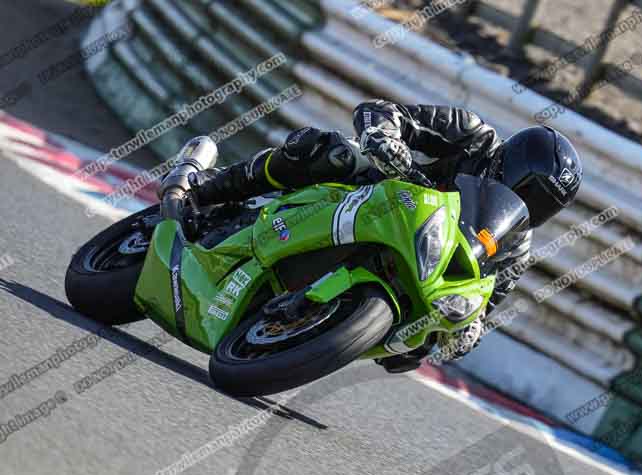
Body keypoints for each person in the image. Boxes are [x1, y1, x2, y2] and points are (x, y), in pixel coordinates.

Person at [189, 99, 583, 372]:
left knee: (411, 352)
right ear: (510, 162)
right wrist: (384, 136)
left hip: (417, 274)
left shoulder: (514, 247)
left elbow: (484, 302)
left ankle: (312, 332)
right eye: (527, 188)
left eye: (541, 204)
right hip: (372, 194)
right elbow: (384, 111)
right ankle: (205, 190)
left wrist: (469, 331)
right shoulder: (471, 135)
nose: (527, 203)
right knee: (328, 151)